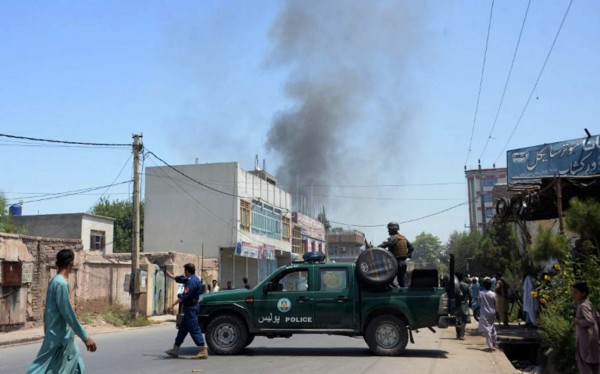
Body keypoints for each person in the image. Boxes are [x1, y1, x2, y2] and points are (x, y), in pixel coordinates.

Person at [27, 249, 97, 373]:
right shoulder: (60, 284)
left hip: (62, 334)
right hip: (58, 335)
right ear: (71, 263)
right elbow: (68, 315)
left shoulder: (55, 281)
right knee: (41, 367)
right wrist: (85, 337)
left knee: (75, 366)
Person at [165, 263, 208, 359]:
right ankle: (175, 349)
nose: (184, 273)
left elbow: (183, 296)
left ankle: (203, 350)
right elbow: (182, 279)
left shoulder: (191, 282)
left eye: (185, 271)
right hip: (190, 308)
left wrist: (172, 305)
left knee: (194, 328)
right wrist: (170, 276)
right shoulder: (194, 278)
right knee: (182, 329)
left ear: (188, 271)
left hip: (191, 308)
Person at [572, 282, 599, 374]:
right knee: (594, 365)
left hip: (585, 341)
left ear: (583, 293)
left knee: (584, 365)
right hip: (592, 339)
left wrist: (578, 322)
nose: (573, 294)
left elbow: (590, 321)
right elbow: (597, 318)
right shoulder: (589, 304)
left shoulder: (583, 306)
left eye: (576, 292)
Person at [379, 221, 415, 287]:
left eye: (389, 229)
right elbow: (412, 248)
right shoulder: (403, 238)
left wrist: (375, 248)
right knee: (403, 282)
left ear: (393, 229)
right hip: (403, 263)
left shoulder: (393, 238)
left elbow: (384, 244)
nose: (388, 231)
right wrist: (407, 256)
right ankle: (403, 294)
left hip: (395, 262)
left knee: (387, 279)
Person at [478, 277, 497, 352]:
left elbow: (479, 302)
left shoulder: (481, 293)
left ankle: (490, 346)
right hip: (492, 312)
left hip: (484, 312)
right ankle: (494, 341)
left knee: (487, 330)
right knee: (492, 327)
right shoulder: (493, 294)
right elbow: (496, 303)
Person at [455, 273, 471, 340]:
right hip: (464, 304)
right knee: (463, 320)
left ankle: (458, 334)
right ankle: (461, 335)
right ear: (462, 278)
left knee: (457, 320)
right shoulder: (466, 285)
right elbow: (470, 296)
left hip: (456, 304)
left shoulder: (455, 286)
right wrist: (470, 303)